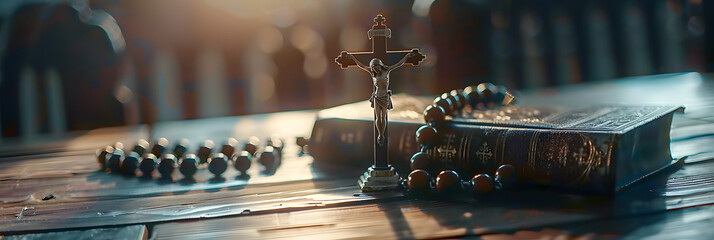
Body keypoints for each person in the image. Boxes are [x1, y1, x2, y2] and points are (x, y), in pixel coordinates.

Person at [349, 52, 414, 144]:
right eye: (374, 68)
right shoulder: (373, 74)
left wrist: (407, 56)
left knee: (383, 117)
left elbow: (399, 64)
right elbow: (361, 66)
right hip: (376, 96)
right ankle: (380, 134)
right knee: (377, 117)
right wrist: (352, 58)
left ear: (380, 65)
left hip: (384, 96)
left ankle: (381, 134)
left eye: (377, 67)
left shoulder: (386, 71)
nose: (376, 69)